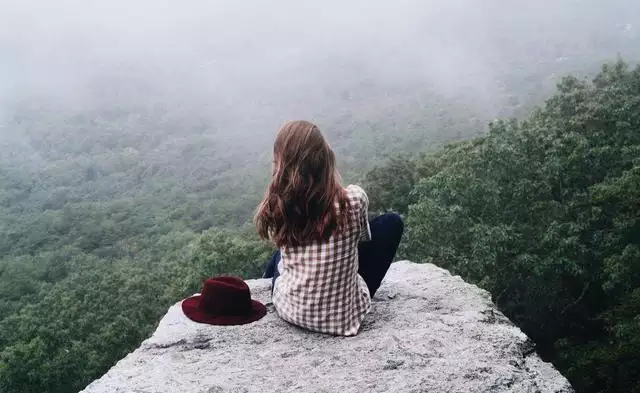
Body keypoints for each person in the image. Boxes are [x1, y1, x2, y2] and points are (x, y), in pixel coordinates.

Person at [255, 120, 403, 336]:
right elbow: (362, 239)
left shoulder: (280, 206)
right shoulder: (354, 199)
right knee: (391, 223)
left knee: (279, 256)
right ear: (325, 158)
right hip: (344, 319)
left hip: (291, 310)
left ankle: (264, 280)